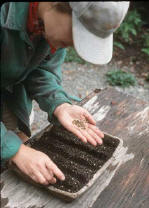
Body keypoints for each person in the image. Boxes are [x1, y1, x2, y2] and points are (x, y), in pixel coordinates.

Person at [1, 2, 129, 185]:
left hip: (12, 97)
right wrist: (14, 150)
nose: (72, 47)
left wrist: (60, 104)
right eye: (75, 37)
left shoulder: (48, 24)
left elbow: (41, 69)